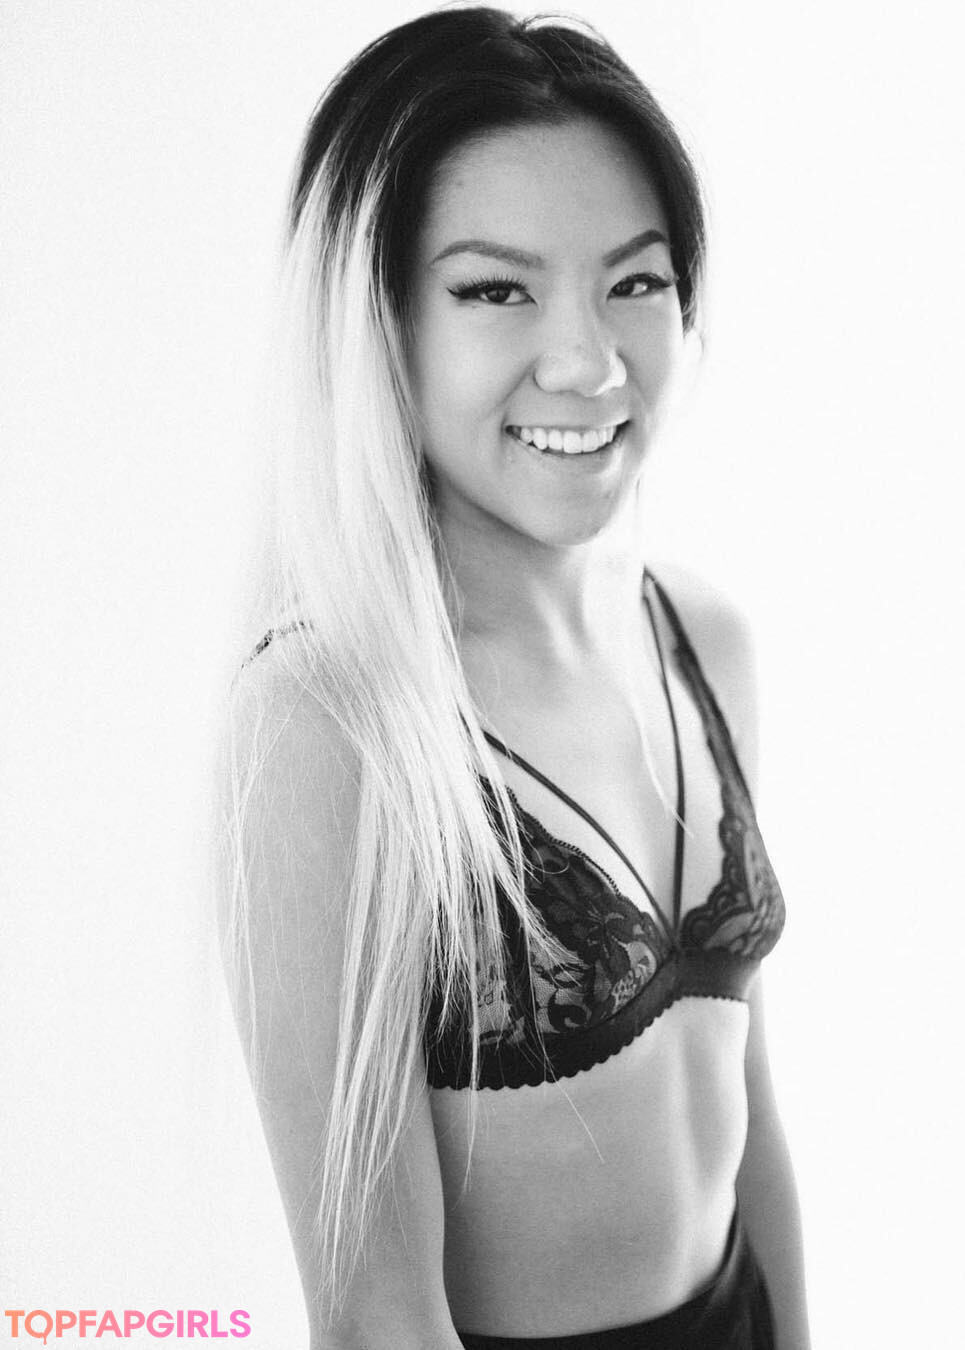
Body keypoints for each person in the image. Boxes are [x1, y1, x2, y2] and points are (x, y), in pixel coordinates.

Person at [218, 8, 810, 1348]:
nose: (589, 362)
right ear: (378, 320)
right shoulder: (328, 721)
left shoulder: (704, 637)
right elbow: (376, 1310)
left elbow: (752, 1126)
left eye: (635, 281)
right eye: (496, 291)